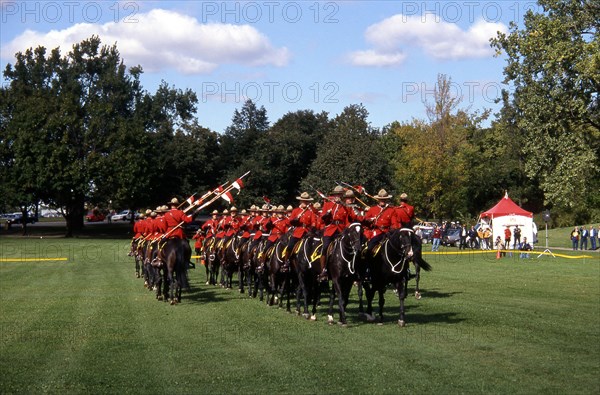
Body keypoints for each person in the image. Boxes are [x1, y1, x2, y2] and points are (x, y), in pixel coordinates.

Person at [284, 192, 316, 269]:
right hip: (297, 232)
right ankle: (286, 262)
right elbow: (290, 221)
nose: (305, 202)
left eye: (307, 201)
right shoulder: (296, 211)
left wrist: (311, 230)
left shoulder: (310, 212)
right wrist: (295, 220)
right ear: (300, 201)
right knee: (290, 246)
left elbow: (313, 223)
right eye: (303, 201)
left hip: (307, 232)